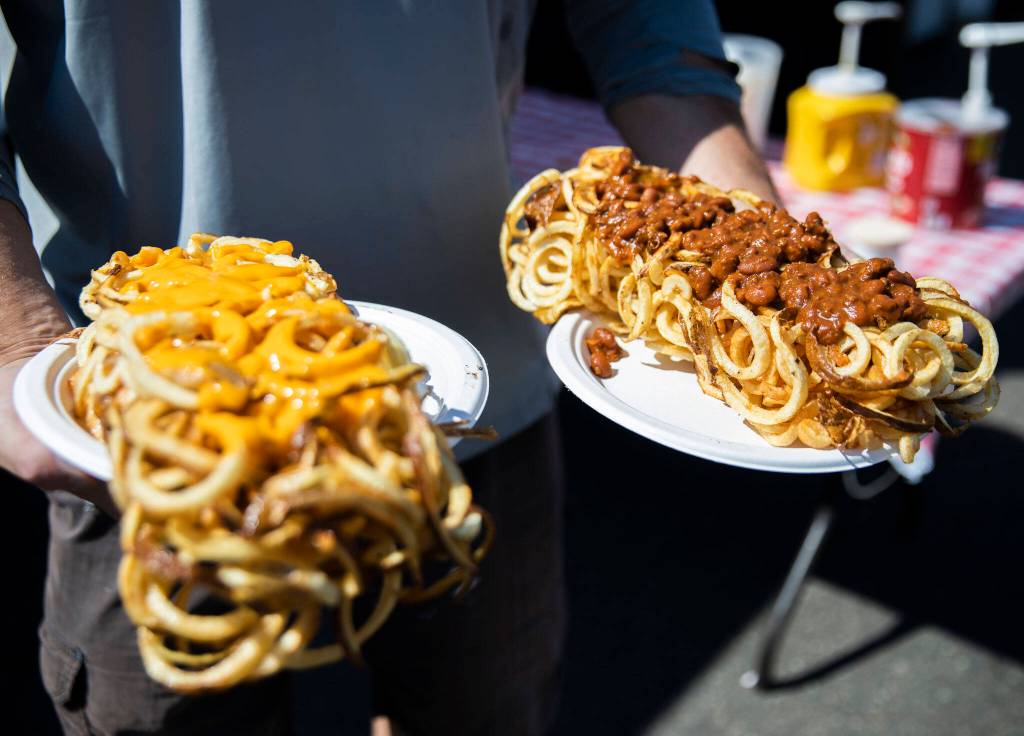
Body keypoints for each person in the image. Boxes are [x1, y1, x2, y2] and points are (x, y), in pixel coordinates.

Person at [0, 2, 776, 734]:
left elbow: (647, 26)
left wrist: (760, 258)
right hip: (149, 424)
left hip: (473, 397)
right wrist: (15, 342)